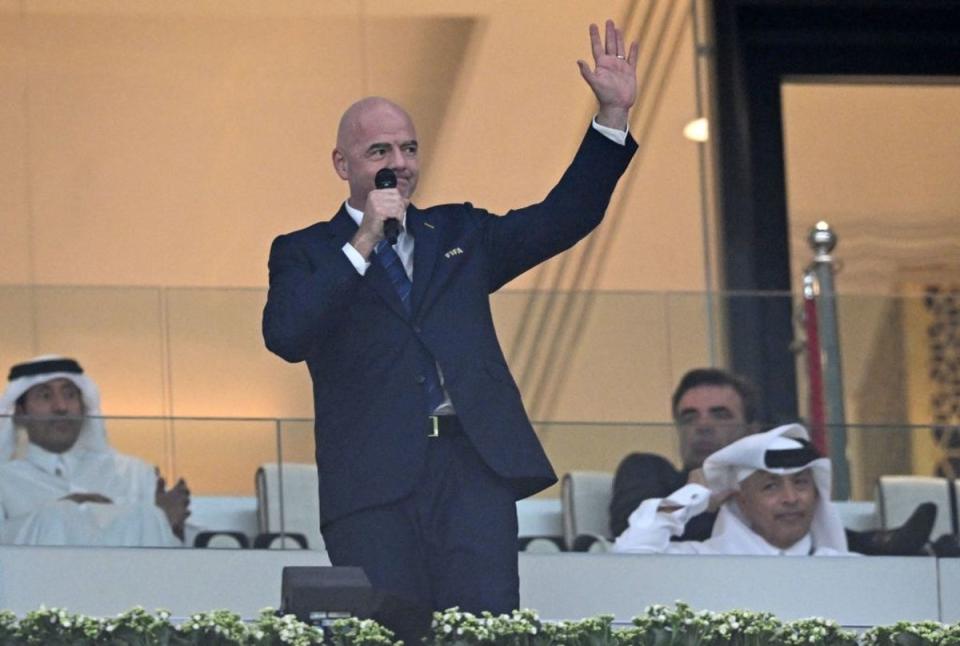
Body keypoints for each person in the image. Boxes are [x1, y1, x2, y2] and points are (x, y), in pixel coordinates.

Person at [262, 20, 639, 616]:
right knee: (387, 630)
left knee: (483, 625)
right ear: (342, 163)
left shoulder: (458, 233)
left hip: (472, 472)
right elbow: (286, 334)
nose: (399, 164)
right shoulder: (306, 251)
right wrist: (363, 239)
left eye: (409, 148)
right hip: (372, 485)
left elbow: (562, 217)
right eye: (379, 151)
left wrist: (612, 117)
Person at [609, 367, 935, 555]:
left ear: (751, 428)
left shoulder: (835, 563)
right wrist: (694, 496)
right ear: (742, 498)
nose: (703, 425)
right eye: (690, 416)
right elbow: (631, 542)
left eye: (720, 414)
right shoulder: (651, 472)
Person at [0, 355, 190, 547]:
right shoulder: (4, 481)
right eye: (45, 396)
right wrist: (62, 512)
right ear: (20, 414)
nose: (61, 407)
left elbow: (177, 555)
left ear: (83, 408)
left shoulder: (136, 474)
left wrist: (169, 526)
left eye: (70, 395)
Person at [613, 423, 849, 555]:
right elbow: (628, 557)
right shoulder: (700, 560)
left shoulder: (848, 568)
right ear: (742, 500)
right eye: (770, 486)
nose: (790, 498)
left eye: (800, 483)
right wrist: (690, 497)